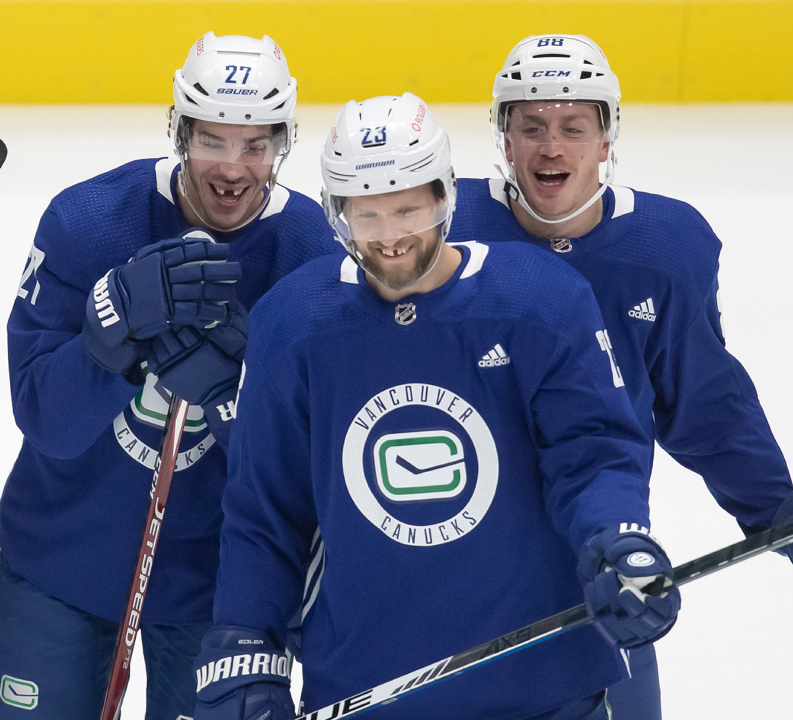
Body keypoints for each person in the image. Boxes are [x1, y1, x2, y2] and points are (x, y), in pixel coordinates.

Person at [194, 93, 680, 720]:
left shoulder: (540, 300)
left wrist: (618, 540)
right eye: (366, 215)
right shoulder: (293, 323)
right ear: (335, 212)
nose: (391, 237)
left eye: (407, 209)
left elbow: (592, 457)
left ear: (445, 196)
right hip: (365, 685)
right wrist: (246, 643)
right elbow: (266, 510)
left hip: (544, 686)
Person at [0, 32, 340, 719]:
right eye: (212, 140)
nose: (234, 167)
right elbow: (43, 419)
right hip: (59, 567)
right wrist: (109, 331)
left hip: (218, 590)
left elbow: (314, 475)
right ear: (178, 132)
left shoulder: (311, 254)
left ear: (284, 143)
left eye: (256, 144)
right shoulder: (87, 221)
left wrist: (236, 398)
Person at [445, 34, 793, 718]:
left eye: (574, 128)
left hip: (601, 562)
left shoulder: (662, 247)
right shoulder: (441, 229)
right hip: (453, 562)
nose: (552, 147)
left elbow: (706, 407)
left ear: (606, 139)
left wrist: (779, 513)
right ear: (503, 140)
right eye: (531, 127)